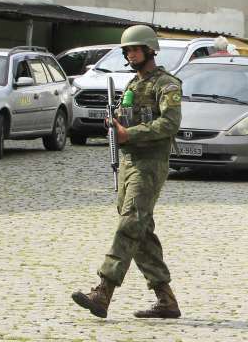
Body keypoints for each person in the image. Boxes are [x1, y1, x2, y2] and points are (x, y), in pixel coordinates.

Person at [72, 24, 184, 320]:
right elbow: (127, 120)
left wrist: (129, 134)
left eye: (135, 49)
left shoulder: (167, 85)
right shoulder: (133, 85)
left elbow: (170, 124)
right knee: (140, 231)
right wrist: (115, 124)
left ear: (149, 50)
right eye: (127, 51)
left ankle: (103, 291)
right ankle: (166, 299)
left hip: (150, 164)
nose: (131, 54)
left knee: (130, 224)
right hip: (129, 162)